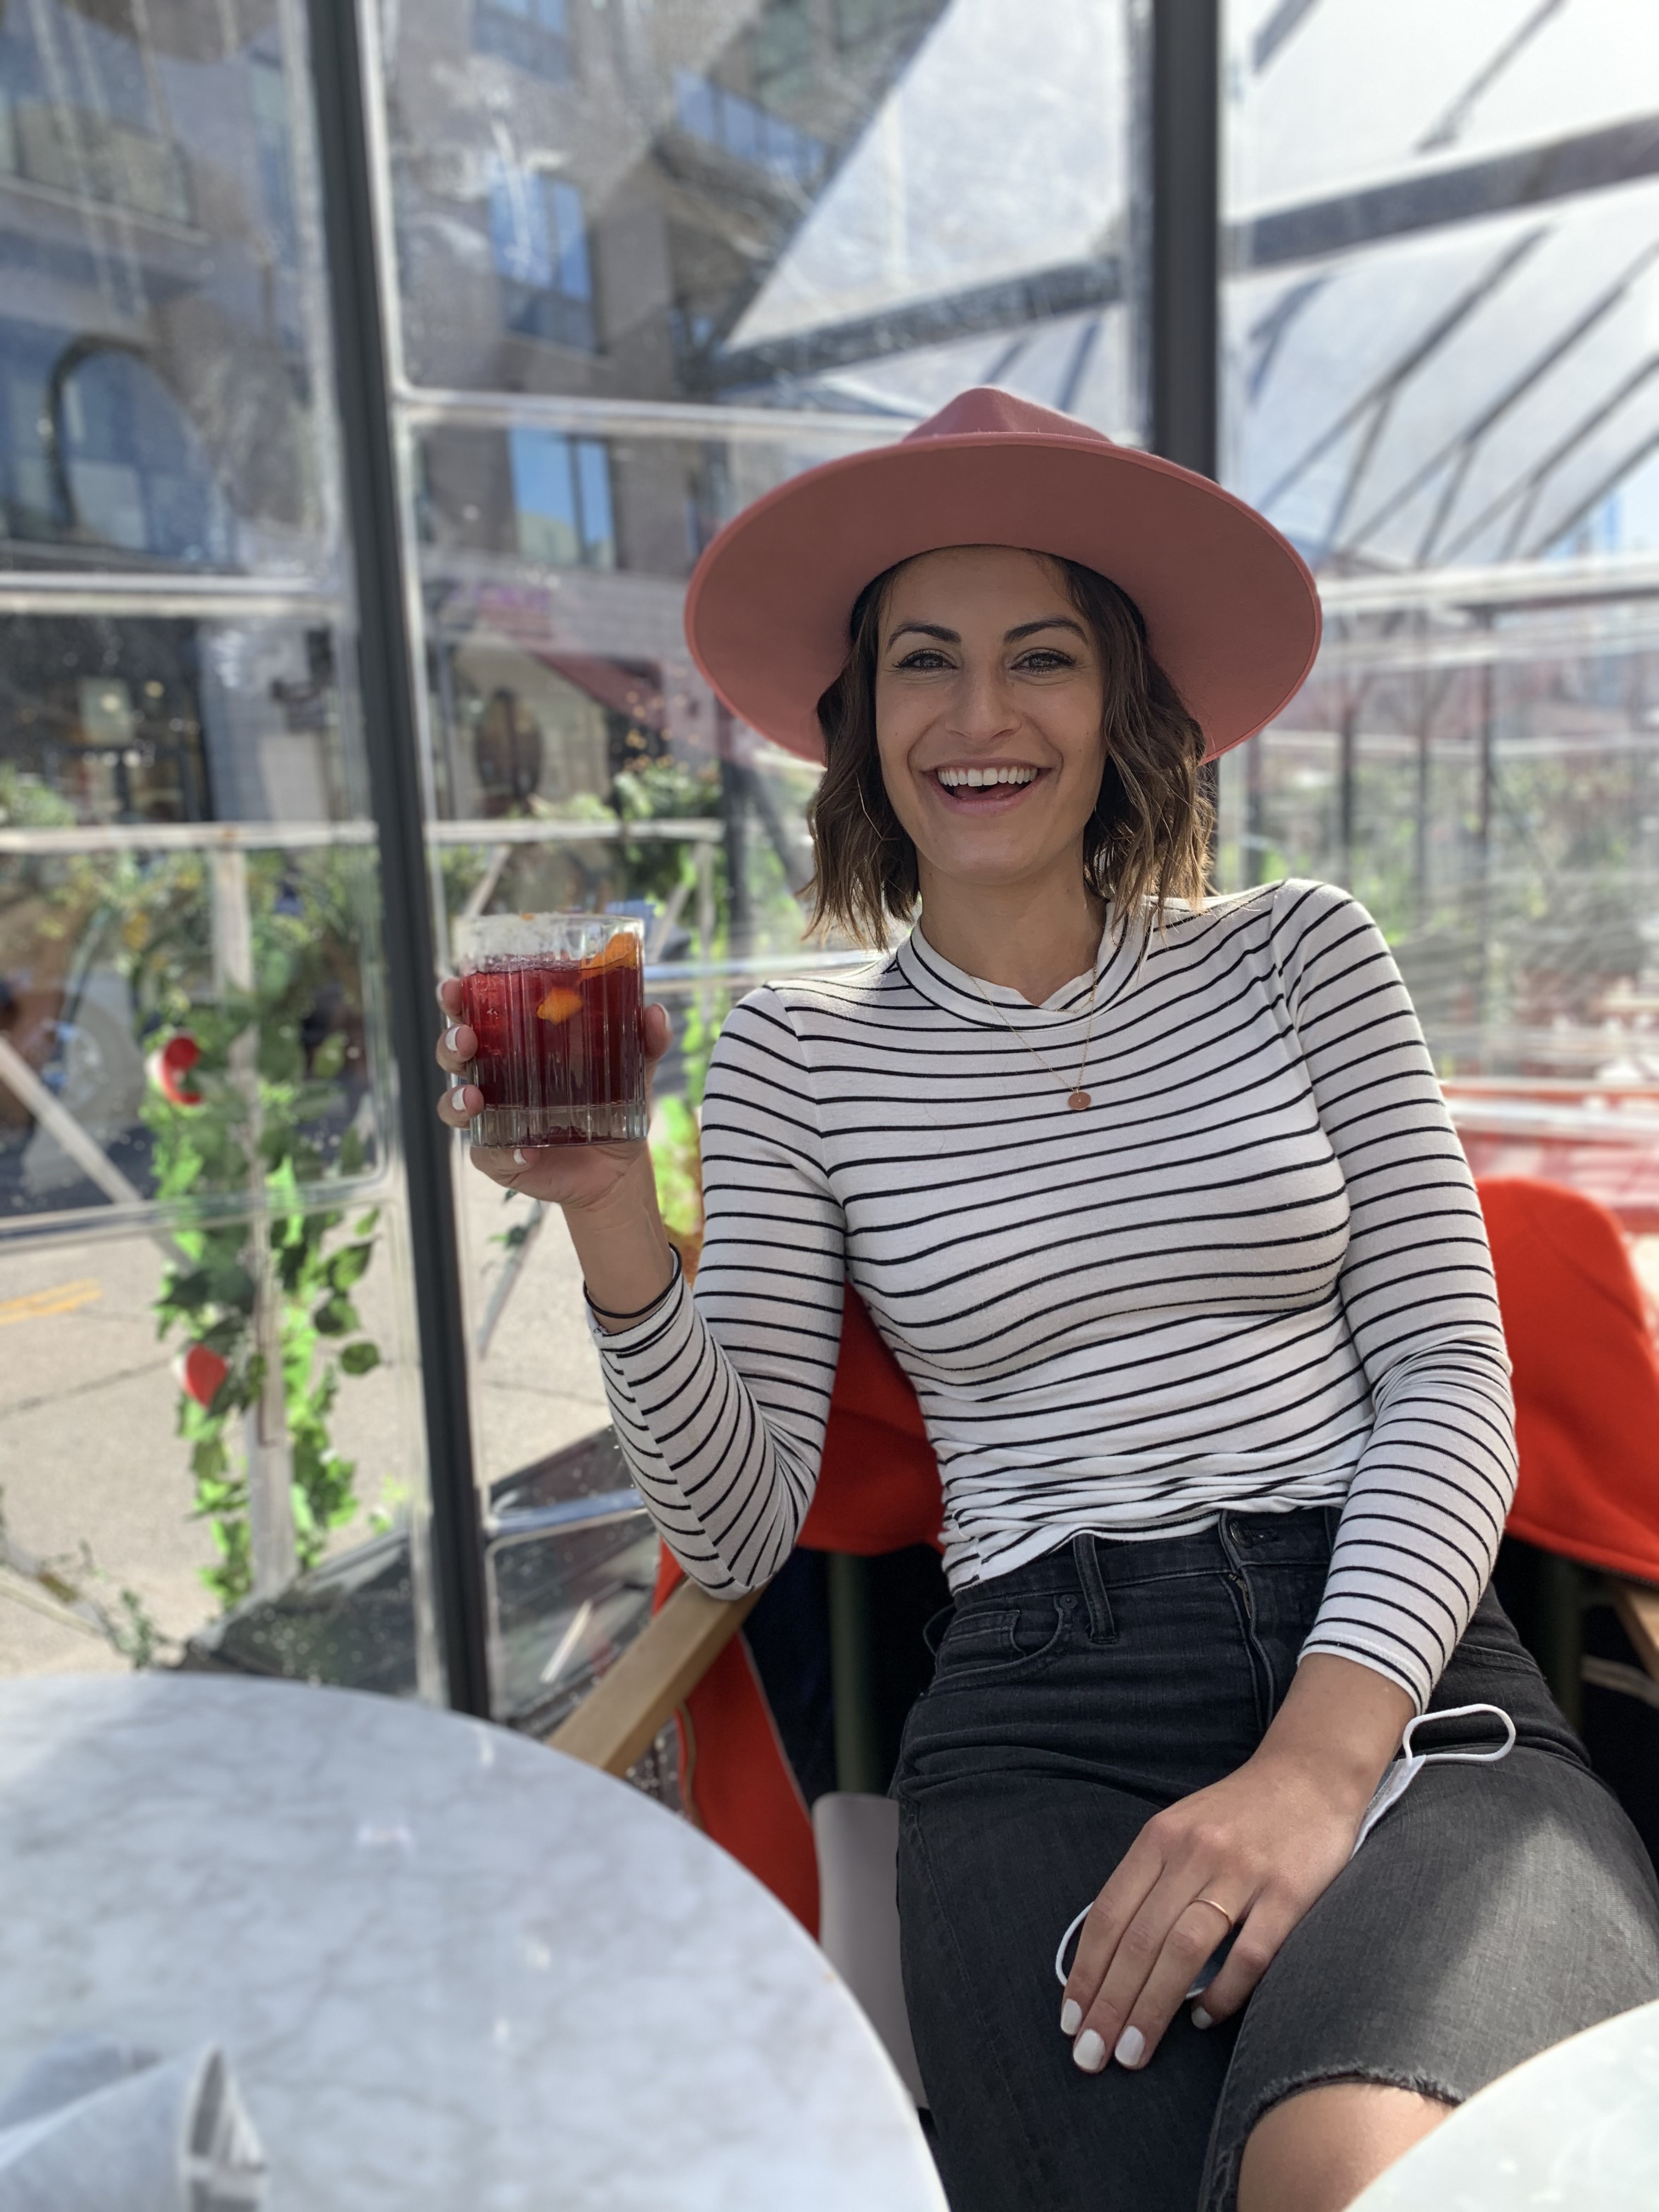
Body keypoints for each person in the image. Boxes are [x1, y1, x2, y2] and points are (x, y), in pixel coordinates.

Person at [434, 390, 1659, 2212]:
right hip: (1040, 1715)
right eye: (924, 661)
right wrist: (617, 1214)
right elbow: (737, 1514)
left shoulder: (1306, 953)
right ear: (859, 727)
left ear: (1123, 705)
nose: (982, 714)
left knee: (1356, 2173)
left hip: (1402, 1681)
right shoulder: (796, 1053)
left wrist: (1323, 1760)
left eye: (1043, 657)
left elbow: (1448, 1375)